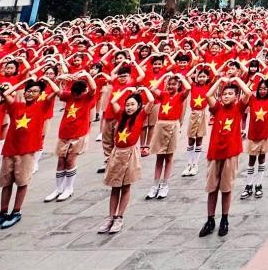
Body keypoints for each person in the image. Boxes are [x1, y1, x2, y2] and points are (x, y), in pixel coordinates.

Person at [0, 77, 55, 230]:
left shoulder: (42, 106)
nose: (31, 94)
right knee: (6, 183)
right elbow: (5, 94)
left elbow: (56, 91)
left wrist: (46, 80)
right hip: (10, 149)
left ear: (40, 95)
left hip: (27, 151)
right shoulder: (16, 106)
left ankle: (16, 211)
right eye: (28, 91)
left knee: (22, 182)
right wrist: (23, 83)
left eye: (35, 91)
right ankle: (3, 212)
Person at [200, 75, 251, 238]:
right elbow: (208, 95)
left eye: (230, 94)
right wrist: (219, 81)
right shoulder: (217, 108)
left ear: (236, 96)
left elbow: (248, 93)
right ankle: (210, 219)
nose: (226, 96)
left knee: (226, 188)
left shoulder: (238, 108)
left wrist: (236, 79)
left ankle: (224, 219)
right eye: (224, 94)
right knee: (212, 188)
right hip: (214, 153)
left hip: (230, 153)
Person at [101, 89, 150, 233]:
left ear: (139, 105)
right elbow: (113, 101)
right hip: (117, 153)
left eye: (132, 104)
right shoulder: (121, 115)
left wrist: (144, 90)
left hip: (130, 154)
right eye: (127, 105)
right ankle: (110, 217)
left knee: (126, 186)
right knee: (115, 186)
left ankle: (119, 217)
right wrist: (126, 91)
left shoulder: (141, 115)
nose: (129, 107)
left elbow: (152, 101)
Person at [45, 71, 97, 203]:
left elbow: (93, 88)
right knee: (61, 161)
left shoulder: (87, 97)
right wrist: (58, 78)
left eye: (78, 94)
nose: (76, 96)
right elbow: (58, 92)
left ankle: (69, 188)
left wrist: (87, 75)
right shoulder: (69, 95)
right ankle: (58, 189)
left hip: (78, 134)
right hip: (64, 133)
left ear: (84, 91)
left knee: (70, 160)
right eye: (74, 93)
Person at [148, 72, 189, 200]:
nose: (171, 86)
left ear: (178, 85)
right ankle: (155, 185)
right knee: (159, 157)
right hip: (161, 125)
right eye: (169, 84)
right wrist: (164, 76)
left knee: (169, 157)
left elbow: (188, 88)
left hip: (173, 125)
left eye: (174, 84)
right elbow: (153, 88)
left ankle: (165, 185)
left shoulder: (181, 96)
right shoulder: (163, 95)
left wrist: (181, 78)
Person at [240, 75, 268, 201]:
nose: (262, 91)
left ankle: (258, 185)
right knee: (251, 160)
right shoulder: (252, 99)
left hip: (264, 136)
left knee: (261, 159)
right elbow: (246, 91)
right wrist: (253, 79)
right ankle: (248, 185)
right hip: (252, 136)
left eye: (265, 89)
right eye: (260, 89)